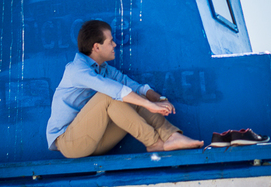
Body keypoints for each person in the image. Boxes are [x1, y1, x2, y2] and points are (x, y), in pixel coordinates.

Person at [46, 20, 202, 156]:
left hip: (97, 140)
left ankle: (170, 135)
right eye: (110, 41)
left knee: (131, 95)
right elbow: (113, 89)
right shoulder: (76, 70)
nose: (115, 44)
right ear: (97, 47)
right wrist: (150, 105)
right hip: (70, 143)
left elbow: (131, 86)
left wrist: (156, 98)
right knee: (108, 96)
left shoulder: (104, 69)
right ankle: (154, 142)